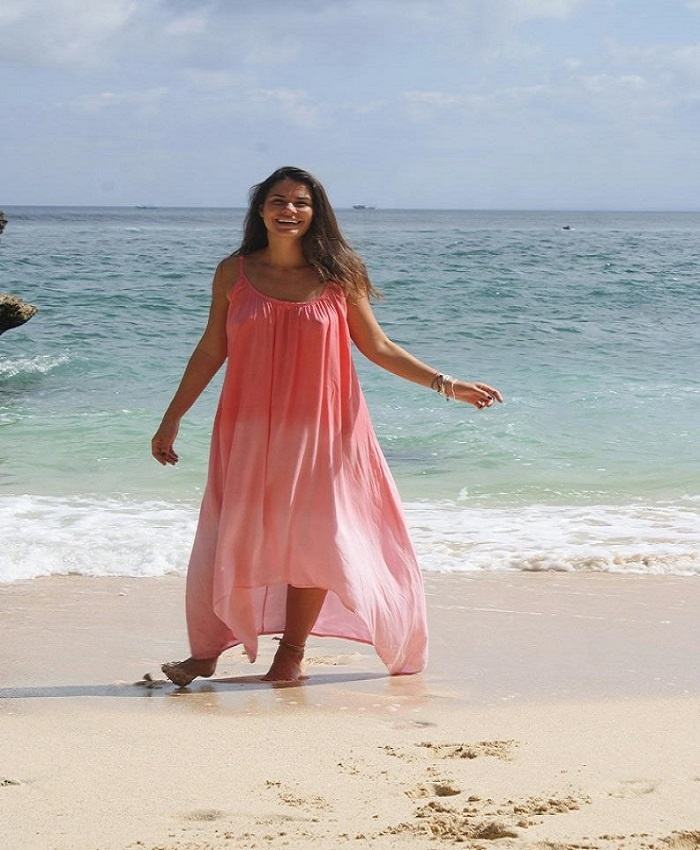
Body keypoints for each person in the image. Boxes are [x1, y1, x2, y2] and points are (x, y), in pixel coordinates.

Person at [151, 166, 503, 686]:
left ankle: (290, 656)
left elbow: (378, 347)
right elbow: (210, 349)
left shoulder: (340, 274)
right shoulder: (233, 273)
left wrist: (448, 385)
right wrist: (172, 417)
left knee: (313, 538)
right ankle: (208, 651)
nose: (289, 210)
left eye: (300, 202)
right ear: (260, 210)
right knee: (233, 533)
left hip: (325, 430)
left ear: (316, 212)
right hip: (247, 430)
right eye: (278, 201)